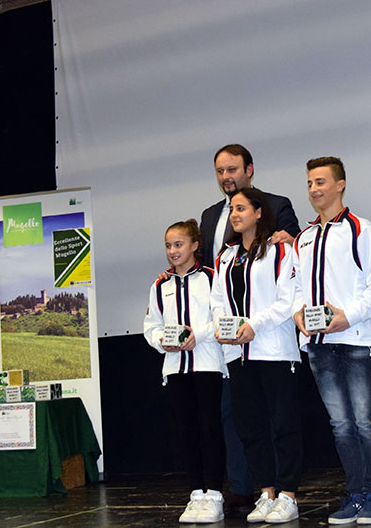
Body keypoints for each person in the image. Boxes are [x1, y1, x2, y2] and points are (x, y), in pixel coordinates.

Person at [292, 157, 371, 525]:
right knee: (340, 424)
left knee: (366, 421)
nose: (314, 189)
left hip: (355, 340)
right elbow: (295, 288)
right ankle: (355, 494)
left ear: (340, 184)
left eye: (321, 181)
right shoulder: (303, 238)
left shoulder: (362, 230)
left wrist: (346, 316)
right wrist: (299, 314)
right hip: (318, 346)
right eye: (309, 183)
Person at [199, 143, 300, 509]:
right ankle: (263, 491)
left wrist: (254, 324)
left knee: (282, 423)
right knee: (248, 425)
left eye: (241, 209)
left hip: (272, 347)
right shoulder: (225, 254)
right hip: (235, 352)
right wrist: (222, 326)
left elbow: (287, 297)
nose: (234, 215)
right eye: (220, 171)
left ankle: (287, 494)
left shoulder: (278, 247)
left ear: (259, 212)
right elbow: (215, 295)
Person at [143, 220, 226, 523]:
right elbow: (151, 326)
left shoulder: (212, 278)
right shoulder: (160, 285)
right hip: (176, 369)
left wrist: (198, 335)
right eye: (168, 245)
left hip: (207, 365)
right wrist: (162, 341)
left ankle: (214, 494)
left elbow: (222, 317)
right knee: (186, 431)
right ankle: (196, 494)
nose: (173, 251)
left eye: (178, 244)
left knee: (210, 429)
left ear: (194, 245)